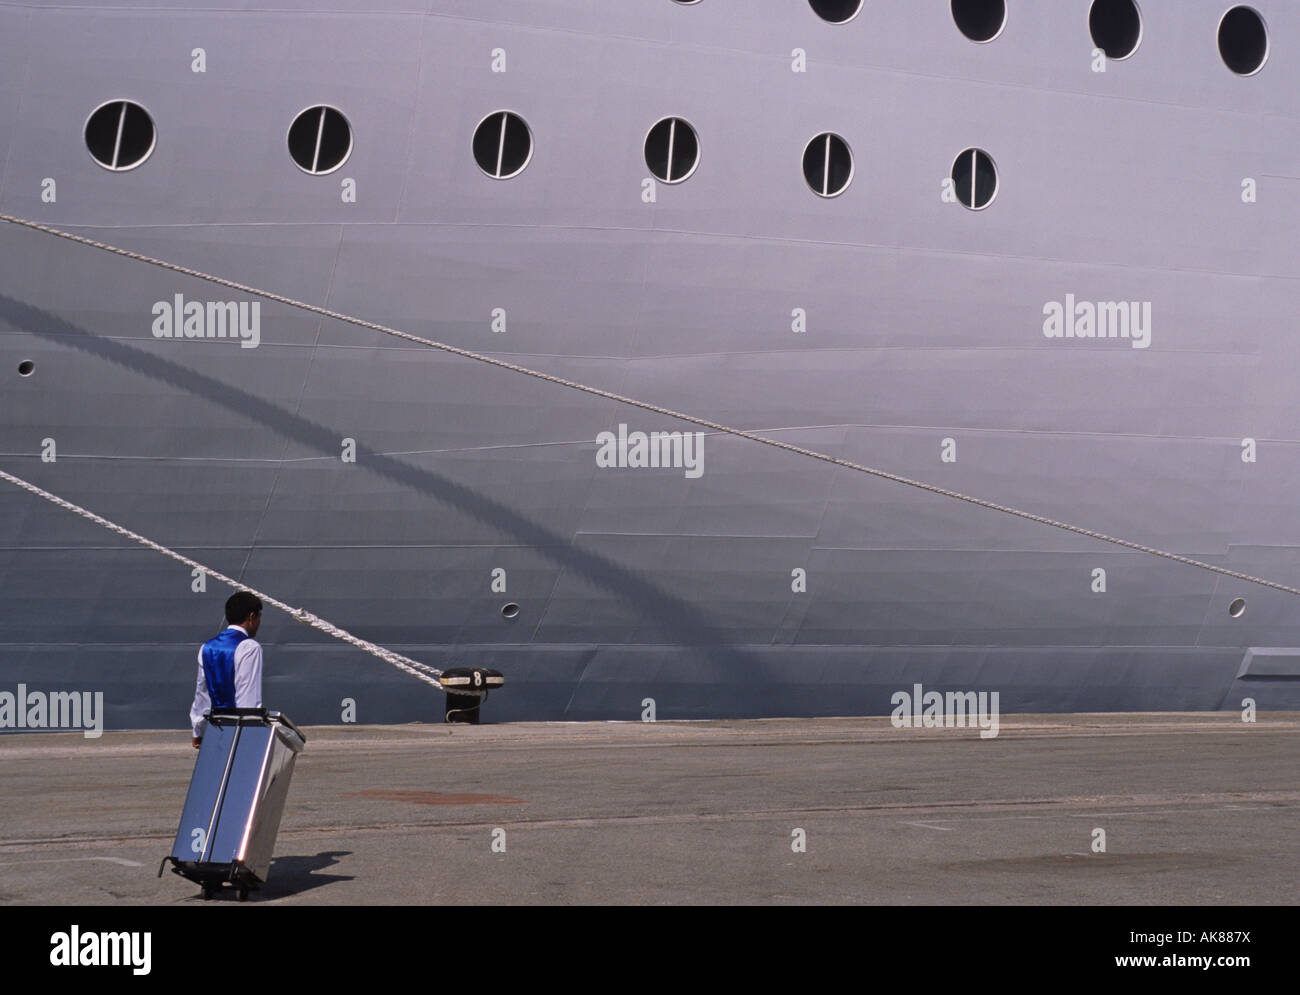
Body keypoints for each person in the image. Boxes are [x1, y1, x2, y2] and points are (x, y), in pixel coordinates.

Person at [190, 591, 264, 748]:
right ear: (251, 617)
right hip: (239, 732)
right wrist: (249, 737)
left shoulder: (207, 647)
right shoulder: (249, 647)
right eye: (259, 617)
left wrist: (198, 731)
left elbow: (202, 694)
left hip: (215, 729)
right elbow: (248, 697)